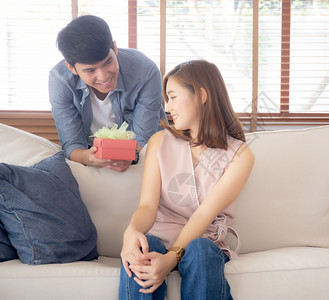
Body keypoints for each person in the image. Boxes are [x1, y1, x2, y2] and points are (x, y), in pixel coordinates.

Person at [119, 60, 254, 299]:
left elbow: (204, 214)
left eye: (172, 97)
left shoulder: (240, 155)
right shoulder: (160, 142)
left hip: (201, 241)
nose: (167, 106)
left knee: (200, 250)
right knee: (142, 249)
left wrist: (171, 259)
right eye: (166, 99)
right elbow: (147, 206)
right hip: (160, 238)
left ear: (201, 95)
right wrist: (131, 232)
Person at [49, 15, 167, 172]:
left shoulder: (145, 72)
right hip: (91, 157)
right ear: (71, 68)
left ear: (115, 48)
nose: (104, 76)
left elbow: (143, 138)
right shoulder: (60, 81)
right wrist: (88, 157)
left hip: (145, 155)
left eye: (108, 62)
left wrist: (130, 156)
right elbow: (72, 144)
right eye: (90, 70)